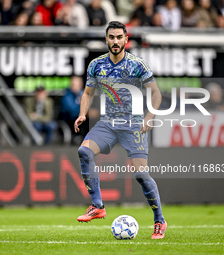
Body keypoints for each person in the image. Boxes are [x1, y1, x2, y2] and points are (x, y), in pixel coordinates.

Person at [74, 21, 167, 239]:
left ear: (126, 39)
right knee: (84, 152)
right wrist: (82, 114)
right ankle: (97, 205)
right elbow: (87, 94)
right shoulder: (96, 65)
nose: (115, 41)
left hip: (133, 124)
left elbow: (156, 93)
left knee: (141, 175)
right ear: (106, 39)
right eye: (111, 37)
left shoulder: (137, 64)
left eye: (119, 37)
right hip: (108, 123)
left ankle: (159, 220)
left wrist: (149, 117)